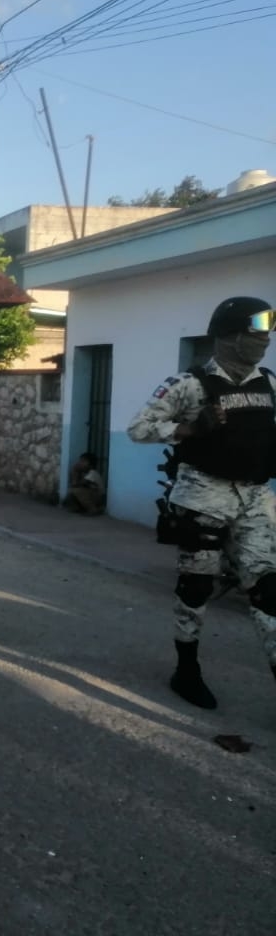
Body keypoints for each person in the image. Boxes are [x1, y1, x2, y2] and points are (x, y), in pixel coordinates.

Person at [127, 295, 276, 710]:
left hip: (255, 499)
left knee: (269, 589)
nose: (263, 341)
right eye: (255, 333)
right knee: (196, 588)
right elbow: (139, 428)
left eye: (266, 333)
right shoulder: (189, 385)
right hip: (202, 496)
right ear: (228, 336)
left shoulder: (269, 383)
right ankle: (186, 670)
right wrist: (189, 428)